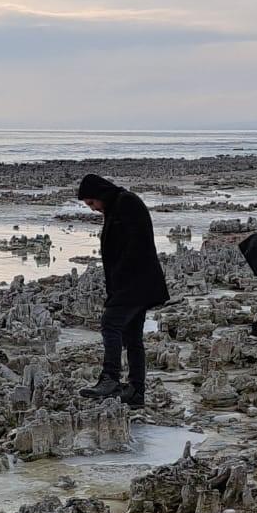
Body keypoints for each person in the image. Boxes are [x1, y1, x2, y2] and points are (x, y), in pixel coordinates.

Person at [76, 173, 168, 407]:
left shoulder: (126, 202)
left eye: (91, 203)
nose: (92, 209)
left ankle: (110, 379)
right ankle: (136, 392)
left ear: (100, 194)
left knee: (110, 323)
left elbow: (136, 245)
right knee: (132, 337)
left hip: (135, 282)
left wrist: (121, 286)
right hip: (134, 283)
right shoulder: (115, 206)